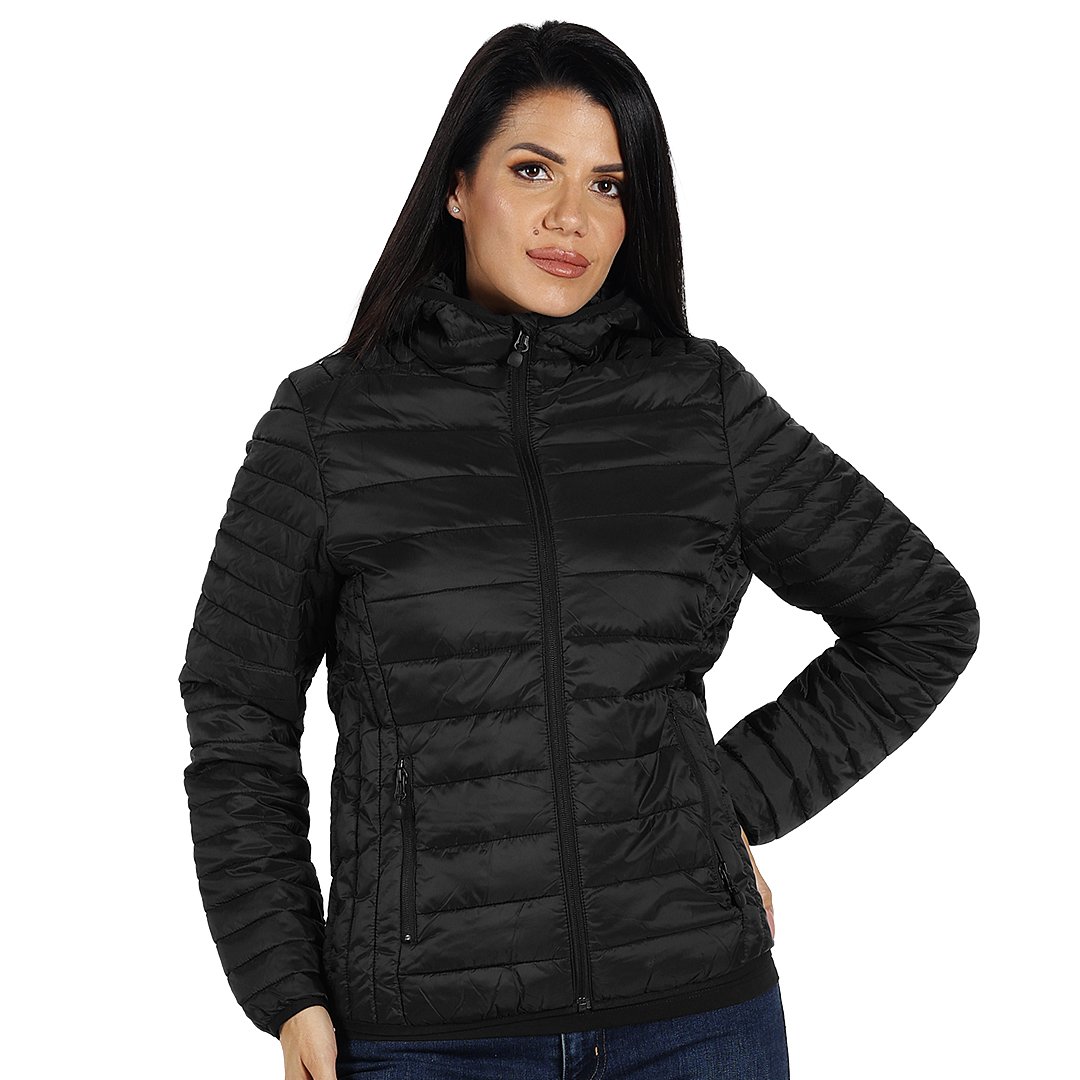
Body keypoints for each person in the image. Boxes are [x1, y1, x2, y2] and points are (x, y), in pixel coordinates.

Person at [178, 20, 980, 1080]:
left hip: (696, 1019)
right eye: (533, 170)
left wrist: (725, 801)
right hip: (432, 1035)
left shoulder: (699, 403)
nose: (572, 217)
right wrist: (284, 986)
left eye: (608, 185)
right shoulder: (328, 423)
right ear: (456, 186)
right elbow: (238, 711)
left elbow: (923, 616)